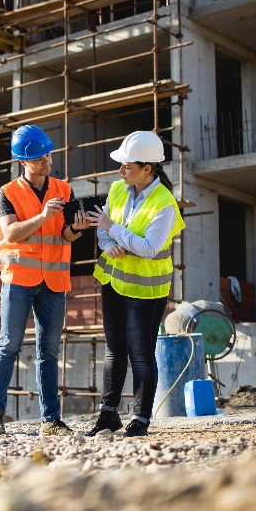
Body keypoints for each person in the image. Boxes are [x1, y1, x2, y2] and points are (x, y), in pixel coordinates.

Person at [0, 125, 92, 436]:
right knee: (9, 345)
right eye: (39, 156)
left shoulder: (64, 189)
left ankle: (52, 420)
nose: (47, 160)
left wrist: (79, 229)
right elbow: (11, 232)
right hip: (19, 279)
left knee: (49, 351)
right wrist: (44, 215)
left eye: (48, 153)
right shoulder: (8, 193)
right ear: (24, 161)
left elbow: (66, 235)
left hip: (54, 282)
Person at [85, 130, 185, 438]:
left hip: (146, 290)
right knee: (114, 351)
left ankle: (140, 419)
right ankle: (108, 414)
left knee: (141, 353)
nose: (121, 170)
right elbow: (102, 226)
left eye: (128, 165)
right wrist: (106, 242)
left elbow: (150, 247)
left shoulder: (164, 203)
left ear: (148, 168)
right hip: (113, 282)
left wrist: (112, 228)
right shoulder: (118, 189)